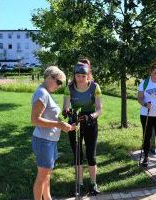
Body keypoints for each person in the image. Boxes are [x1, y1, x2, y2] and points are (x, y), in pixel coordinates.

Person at [31, 66, 76, 200]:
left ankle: (48, 198)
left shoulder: (45, 93)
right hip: (44, 141)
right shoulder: (42, 94)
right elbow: (35, 120)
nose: (59, 86)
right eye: (59, 82)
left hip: (49, 140)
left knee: (47, 174)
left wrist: (66, 125)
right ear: (49, 77)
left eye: (61, 83)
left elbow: (49, 117)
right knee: (42, 177)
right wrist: (59, 124)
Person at [63, 58, 102, 195]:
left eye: (83, 76)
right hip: (75, 123)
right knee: (78, 155)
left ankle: (93, 183)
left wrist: (91, 116)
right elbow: (66, 106)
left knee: (91, 155)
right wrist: (66, 111)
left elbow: (99, 109)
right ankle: (79, 183)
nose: (80, 79)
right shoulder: (69, 88)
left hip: (90, 122)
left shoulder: (94, 87)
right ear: (74, 75)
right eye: (78, 76)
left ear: (88, 75)